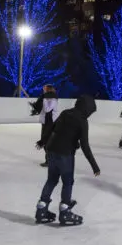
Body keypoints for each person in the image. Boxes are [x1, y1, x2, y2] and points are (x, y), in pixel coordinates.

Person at [34, 95, 101, 225]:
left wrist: (43, 141)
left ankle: (41, 209)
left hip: (51, 151)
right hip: (65, 154)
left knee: (52, 180)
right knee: (67, 182)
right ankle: (65, 211)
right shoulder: (82, 121)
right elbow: (85, 146)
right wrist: (95, 166)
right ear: (86, 109)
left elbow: (52, 128)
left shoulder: (65, 113)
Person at [32, 85, 60, 167]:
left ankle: (50, 161)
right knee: (45, 142)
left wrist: (43, 100)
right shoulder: (46, 98)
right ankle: (50, 160)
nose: (43, 91)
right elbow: (43, 110)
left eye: (44, 89)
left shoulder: (53, 99)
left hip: (50, 123)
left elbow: (47, 109)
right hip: (45, 123)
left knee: (47, 142)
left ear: (48, 90)